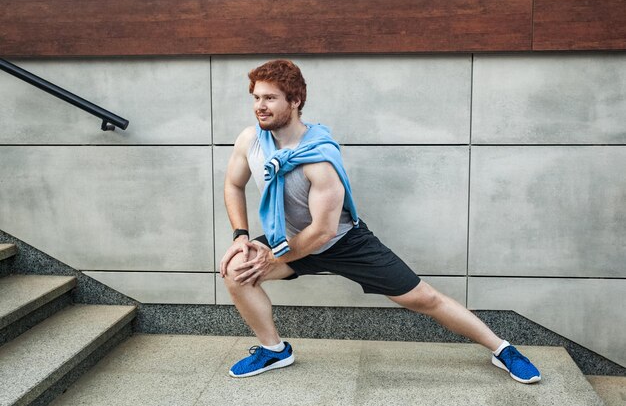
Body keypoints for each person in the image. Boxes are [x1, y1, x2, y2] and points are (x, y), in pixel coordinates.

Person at [220, 59, 541, 384]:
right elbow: (233, 184)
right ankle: (274, 350)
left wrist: (272, 257)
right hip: (286, 238)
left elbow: (323, 231)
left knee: (423, 298)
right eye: (257, 98)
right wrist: (240, 236)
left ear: (295, 101)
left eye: (270, 98)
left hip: (341, 242)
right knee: (236, 270)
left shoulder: (319, 159)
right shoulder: (250, 141)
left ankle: (502, 349)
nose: (260, 106)